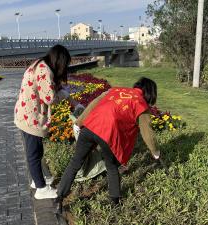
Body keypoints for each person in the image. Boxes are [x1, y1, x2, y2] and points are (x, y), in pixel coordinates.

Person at [56, 77, 162, 212]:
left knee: (74, 164)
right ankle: (115, 202)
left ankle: (58, 199)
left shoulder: (114, 90)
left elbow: (94, 103)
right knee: (111, 166)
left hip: (89, 127)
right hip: (107, 134)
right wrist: (156, 152)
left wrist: (79, 122)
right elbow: (147, 132)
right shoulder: (141, 103)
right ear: (150, 93)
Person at [14, 44, 71, 199]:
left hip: (25, 114)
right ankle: (41, 189)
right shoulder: (44, 70)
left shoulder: (39, 64)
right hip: (31, 118)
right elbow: (49, 98)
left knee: (36, 151)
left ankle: (37, 179)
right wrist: (65, 94)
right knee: (33, 153)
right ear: (60, 61)